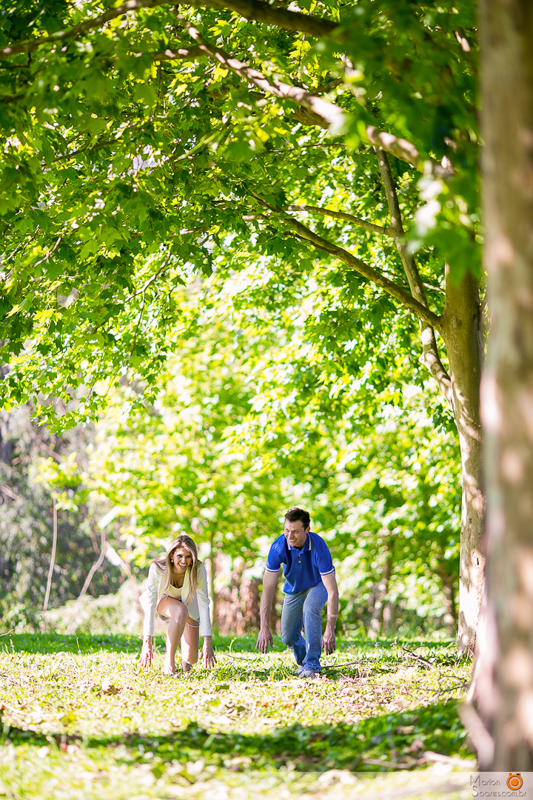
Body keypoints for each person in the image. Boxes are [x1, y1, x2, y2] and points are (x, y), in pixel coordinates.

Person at [256, 507, 339, 678]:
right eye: (286, 530)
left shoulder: (319, 547)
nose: (289, 536)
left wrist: (330, 629)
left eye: (295, 532)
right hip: (294, 589)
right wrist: (263, 627)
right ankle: (304, 661)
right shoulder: (278, 547)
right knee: (287, 637)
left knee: (310, 608)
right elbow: (267, 590)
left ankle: (313, 664)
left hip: (318, 584)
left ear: (307, 530)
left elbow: (332, 591)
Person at [138, 534, 216, 675]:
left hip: (189, 604)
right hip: (164, 602)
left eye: (188, 557)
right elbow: (150, 603)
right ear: (172, 554)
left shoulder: (198, 569)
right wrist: (147, 641)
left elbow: (204, 603)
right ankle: (169, 662)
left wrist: (207, 641)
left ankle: (184, 661)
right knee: (180, 611)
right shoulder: (157, 568)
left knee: (191, 659)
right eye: (179, 556)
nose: (183, 561)